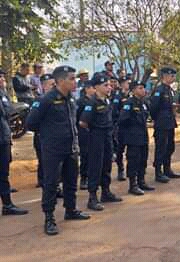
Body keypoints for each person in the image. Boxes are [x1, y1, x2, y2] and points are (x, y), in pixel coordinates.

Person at [26, 65, 90, 235]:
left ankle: (71, 210)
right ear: (60, 81)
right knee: (51, 183)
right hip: (53, 149)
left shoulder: (70, 99)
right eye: (71, 78)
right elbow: (31, 123)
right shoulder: (46, 99)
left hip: (71, 147)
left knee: (70, 180)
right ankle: (49, 218)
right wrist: (49, 135)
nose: (75, 82)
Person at [79, 73, 123, 211]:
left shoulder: (107, 100)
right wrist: (95, 131)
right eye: (106, 85)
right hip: (96, 137)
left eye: (109, 85)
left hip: (107, 136)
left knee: (106, 165)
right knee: (95, 166)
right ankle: (92, 197)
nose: (109, 87)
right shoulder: (91, 102)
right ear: (96, 87)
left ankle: (106, 192)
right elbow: (83, 122)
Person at [119, 80, 155, 196]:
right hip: (133, 137)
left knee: (143, 159)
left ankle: (141, 181)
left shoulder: (143, 103)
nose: (143, 90)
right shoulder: (129, 103)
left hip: (143, 135)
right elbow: (123, 120)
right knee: (133, 160)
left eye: (143, 88)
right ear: (133, 90)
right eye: (140, 88)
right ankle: (133, 185)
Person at [0, 69, 28, 216]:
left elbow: (9, 111)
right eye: (1, 78)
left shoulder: (3, 94)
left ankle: (7, 204)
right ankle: (7, 205)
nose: (3, 81)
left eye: (4, 78)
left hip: (4, 137)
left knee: (4, 172)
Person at [149, 67, 180, 182]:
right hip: (162, 123)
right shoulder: (159, 90)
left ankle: (167, 169)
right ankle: (158, 172)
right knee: (161, 148)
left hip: (169, 123)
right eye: (172, 76)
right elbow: (153, 107)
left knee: (170, 147)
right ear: (165, 76)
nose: (173, 78)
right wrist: (157, 119)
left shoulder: (169, 89)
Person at [76, 81, 95, 190]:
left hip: (93, 132)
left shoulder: (95, 101)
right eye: (93, 88)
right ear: (87, 89)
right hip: (83, 131)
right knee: (85, 155)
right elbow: (77, 117)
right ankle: (84, 178)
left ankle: (91, 177)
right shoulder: (81, 102)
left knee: (93, 155)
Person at [112, 76, 131, 181]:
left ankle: (131, 170)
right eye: (125, 83)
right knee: (120, 149)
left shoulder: (132, 96)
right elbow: (114, 112)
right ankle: (120, 169)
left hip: (131, 127)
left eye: (128, 82)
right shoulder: (117, 97)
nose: (127, 84)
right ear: (121, 84)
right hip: (121, 127)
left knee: (132, 150)